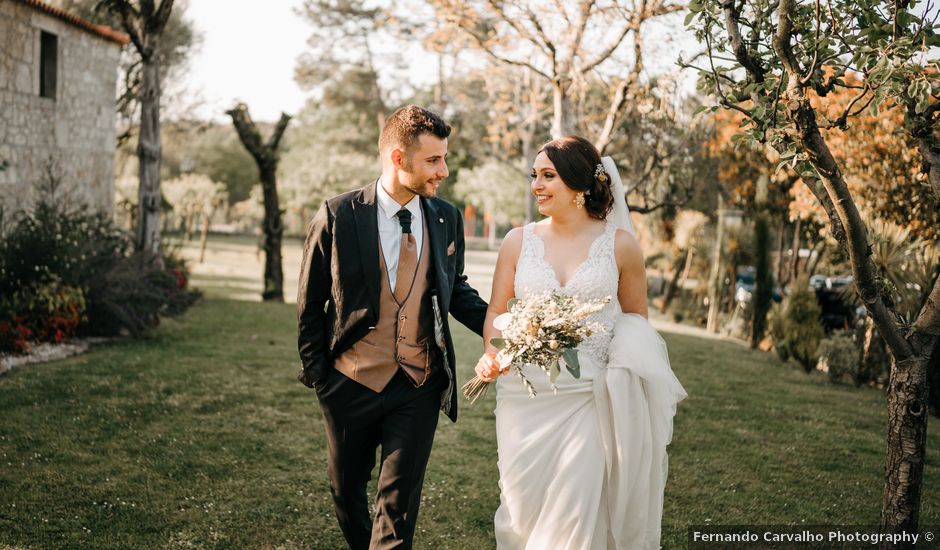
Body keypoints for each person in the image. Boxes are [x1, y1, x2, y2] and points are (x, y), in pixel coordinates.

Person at [474, 135, 688, 549]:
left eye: (548, 176)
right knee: (521, 513)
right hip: (524, 396)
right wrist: (492, 354)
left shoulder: (621, 245)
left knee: (575, 511)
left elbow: (635, 321)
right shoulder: (517, 241)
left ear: (578, 184)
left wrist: (618, 372)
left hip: (590, 396)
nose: (536, 184)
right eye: (534, 175)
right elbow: (496, 310)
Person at [297, 105, 488, 550]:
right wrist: (321, 377)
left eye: (444, 158)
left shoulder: (445, 217)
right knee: (346, 493)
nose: (444, 170)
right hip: (349, 380)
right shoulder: (338, 215)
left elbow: (455, 290)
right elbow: (310, 304)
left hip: (418, 383)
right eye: (434, 160)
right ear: (399, 159)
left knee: (398, 507)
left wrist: (503, 327)